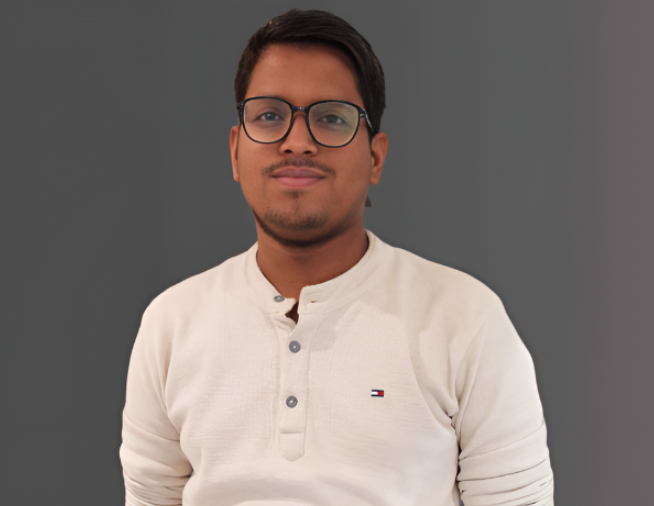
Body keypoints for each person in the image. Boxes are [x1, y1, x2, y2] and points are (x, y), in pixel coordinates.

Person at [120, 9, 554, 506]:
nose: (297, 142)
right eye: (269, 115)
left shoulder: (466, 319)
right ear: (236, 150)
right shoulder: (171, 323)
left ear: (375, 157)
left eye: (331, 118)